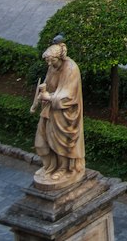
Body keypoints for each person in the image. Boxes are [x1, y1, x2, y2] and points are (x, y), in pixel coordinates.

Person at [31, 39, 86, 187]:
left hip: (65, 113)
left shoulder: (71, 68)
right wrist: (44, 90)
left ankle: (64, 169)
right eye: (47, 61)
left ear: (59, 57)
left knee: (62, 143)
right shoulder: (52, 67)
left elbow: (68, 94)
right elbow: (49, 84)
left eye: (52, 60)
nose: (49, 64)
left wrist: (49, 96)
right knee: (41, 141)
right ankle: (50, 167)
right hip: (49, 111)